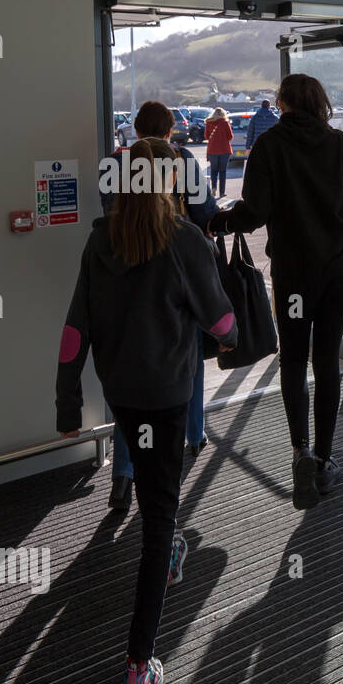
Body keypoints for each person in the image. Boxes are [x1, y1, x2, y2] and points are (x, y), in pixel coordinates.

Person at [56, 138, 237, 684]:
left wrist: (66, 406)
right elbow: (224, 322)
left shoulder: (99, 239)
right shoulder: (182, 240)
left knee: (155, 494)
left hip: (124, 397)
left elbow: (73, 331)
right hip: (167, 395)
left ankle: (173, 546)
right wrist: (225, 328)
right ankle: (138, 670)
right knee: (158, 514)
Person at [210, 74, 343, 510]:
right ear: (319, 102)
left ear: (283, 104)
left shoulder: (269, 146)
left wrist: (217, 223)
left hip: (294, 277)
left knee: (293, 359)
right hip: (338, 273)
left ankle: (300, 454)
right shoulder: (338, 144)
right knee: (326, 360)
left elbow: (254, 213)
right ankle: (325, 459)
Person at [103, 102, 220, 512]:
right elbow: (205, 212)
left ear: (135, 129)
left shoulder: (115, 162)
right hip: (175, 278)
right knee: (186, 356)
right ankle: (193, 433)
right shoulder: (182, 160)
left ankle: (123, 474)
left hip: (124, 278)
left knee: (131, 375)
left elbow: (108, 217)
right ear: (172, 130)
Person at [204, 107, 233, 196]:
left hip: (213, 150)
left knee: (213, 171)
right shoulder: (225, 123)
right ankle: (222, 192)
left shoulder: (209, 123)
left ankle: (213, 188)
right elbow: (230, 137)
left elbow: (206, 137)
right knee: (222, 172)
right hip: (224, 150)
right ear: (223, 114)